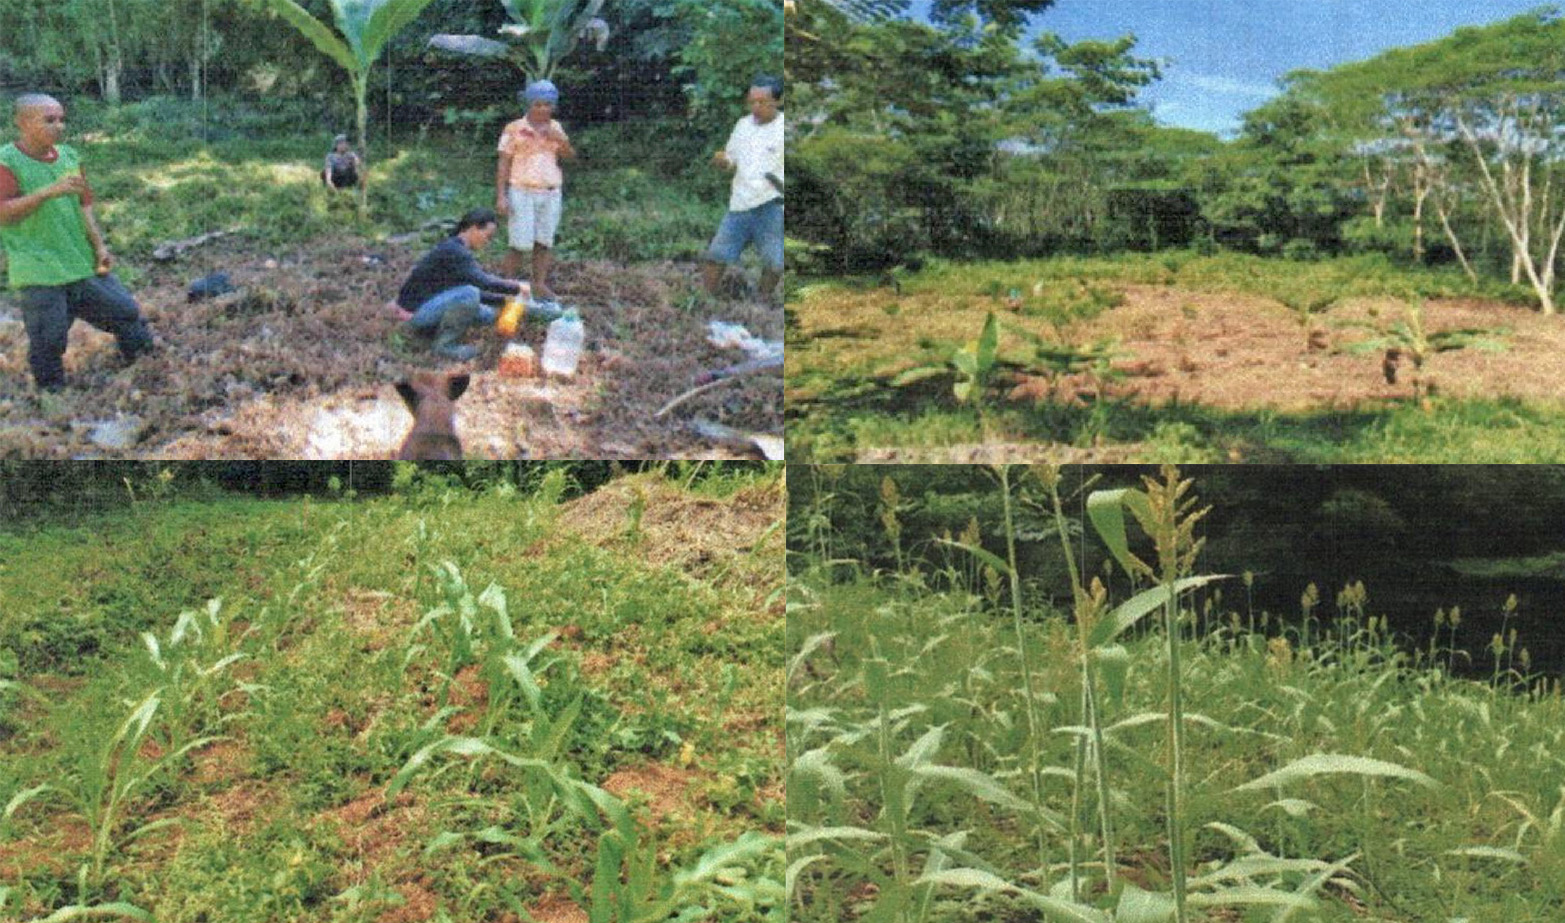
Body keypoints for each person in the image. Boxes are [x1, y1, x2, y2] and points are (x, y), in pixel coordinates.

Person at [0, 93, 154, 392]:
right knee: (49, 340)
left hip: (80, 261)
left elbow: (84, 206)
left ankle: (147, 369)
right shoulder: (6, 162)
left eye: (61, 119)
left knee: (125, 312)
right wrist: (47, 192)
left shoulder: (69, 157)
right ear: (22, 123)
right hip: (38, 269)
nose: (59, 126)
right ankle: (52, 396)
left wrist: (99, 246)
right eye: (49, 120)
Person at [394, 207, 559, 362]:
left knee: (487, 314)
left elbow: (472, 291)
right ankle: (445, 345)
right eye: (487, 236)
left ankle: (539, 312)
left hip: (431, 304)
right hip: (416, 313)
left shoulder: (455, 249)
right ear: (473, 228)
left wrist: (507, 301)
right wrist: (516, 287)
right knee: (469, 294)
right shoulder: (455, 251)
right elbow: (482, 282)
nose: (487, 241)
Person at [703, 75, 784, 301]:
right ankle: (705, 299)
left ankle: (763, 300)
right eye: (752, 102)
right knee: (717, 254)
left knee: (775, 262)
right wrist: (722, 162)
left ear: (777, 101)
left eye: (762, 102)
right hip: (740, 203)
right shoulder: (743, 125)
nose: (756, 107)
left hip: (772, 205)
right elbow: (731, 160)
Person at [496, 79, 574, 308]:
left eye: (547, 105)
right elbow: (503, 162)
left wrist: (560, 140)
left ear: (553, 106)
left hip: (550, 191)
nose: (542, 109)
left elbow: (570, 157)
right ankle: (508, 285)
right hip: (522, 190)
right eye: (538, 104)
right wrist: (502, 195)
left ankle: (538, 283)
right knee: (519, 242)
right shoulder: (514, 128)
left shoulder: (557, 128)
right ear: (529, 105)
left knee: (544, 240)